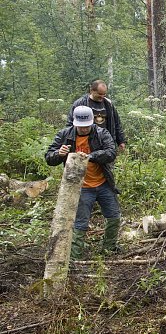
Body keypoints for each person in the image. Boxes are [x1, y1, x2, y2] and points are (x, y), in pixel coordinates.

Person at [45, 106, 121, 259]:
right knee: (81, 223)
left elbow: (111, 152)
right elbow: (49, 157)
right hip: (81, 186)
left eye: (87, 126)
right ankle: (75, 258)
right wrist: (59, 154)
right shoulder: (64, 135)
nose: (85, 129)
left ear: (92, 123)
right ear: (75, 123)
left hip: (103, 183)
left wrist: (90, 156)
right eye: (81, 126)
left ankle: (109, 248)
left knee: (114, 217)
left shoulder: (101, 133)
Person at [67, 80, 126, 151]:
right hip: (86, 142)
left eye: (104, 94)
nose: (102, 96)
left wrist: (121, 141)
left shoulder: (108, 104)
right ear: (91, 90)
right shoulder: (80, 104)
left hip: (106, 142)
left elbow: (116, 123)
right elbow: (70, 124)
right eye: (100, 94)